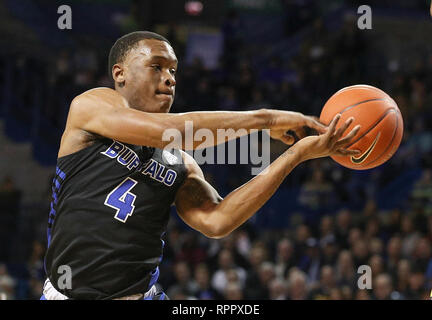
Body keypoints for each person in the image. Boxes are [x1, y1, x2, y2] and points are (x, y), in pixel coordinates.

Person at [41, 31, 361, 300]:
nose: (169, 78)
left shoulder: (180, 163)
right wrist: (268, 119)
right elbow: (175, 132)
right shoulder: (91, 106)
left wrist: (297, 155)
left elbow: (218, 221)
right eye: (156, 66)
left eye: (174, 71)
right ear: (120, 73)